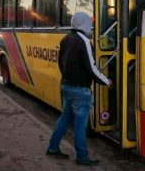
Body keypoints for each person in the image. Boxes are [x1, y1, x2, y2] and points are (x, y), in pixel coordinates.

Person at [46, 11, 111, 166]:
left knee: (64, 119)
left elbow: (60, 63)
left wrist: (67, 79)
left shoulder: (66, 39)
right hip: (80, 90)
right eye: (89, 22)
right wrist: (106, 81)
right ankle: (82, 158)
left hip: (66, 86)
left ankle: (53, 148)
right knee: (80, 127)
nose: (91, 25)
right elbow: (92, 68)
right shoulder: (85, 42)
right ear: (84, 24)